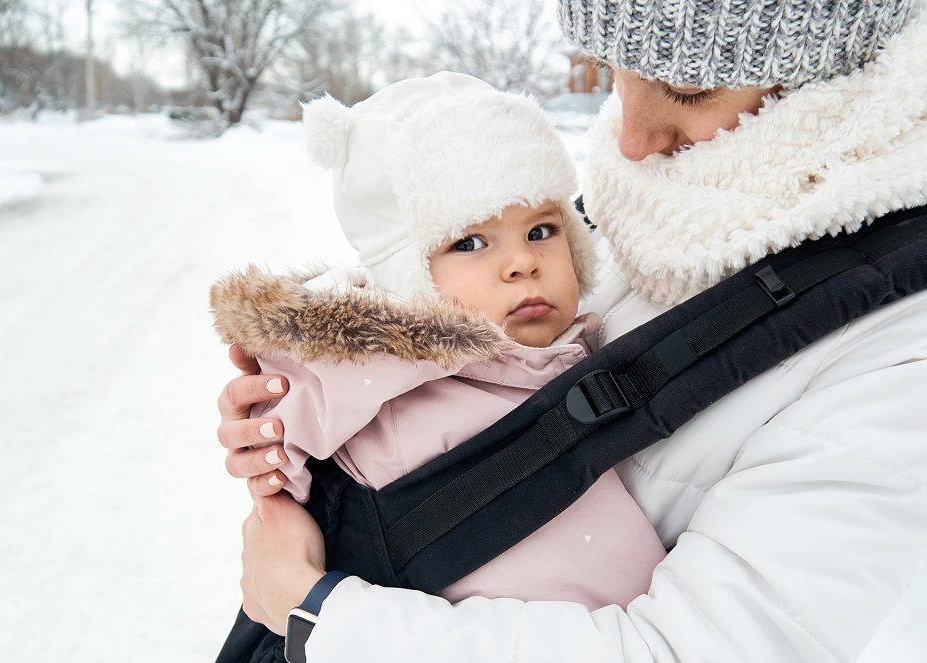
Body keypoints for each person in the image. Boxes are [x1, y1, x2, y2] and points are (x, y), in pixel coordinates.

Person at [220, 0, 927, 663]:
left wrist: (315, 618)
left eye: (686, 89)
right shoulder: (648, 197)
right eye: (614, 70)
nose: (631, 141)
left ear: (828, 72)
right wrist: (313, 391)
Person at [211, 72, 665, 618]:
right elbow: (291, 425)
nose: (523, 262)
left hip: (601, 661)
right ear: (404, 276)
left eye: (541, 230)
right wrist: (272, 420)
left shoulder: (554, 357)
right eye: (469, 242)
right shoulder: (388, 383)